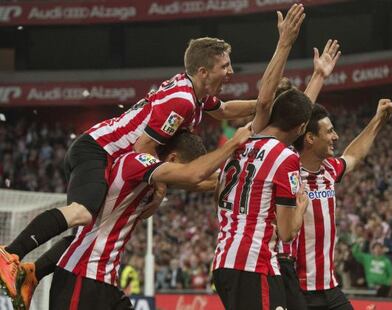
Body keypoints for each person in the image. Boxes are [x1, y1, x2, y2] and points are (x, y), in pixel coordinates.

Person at [0, 35, 258, 299]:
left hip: (104, 152)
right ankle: (10, 253)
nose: (230, 72)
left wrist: (262, 105)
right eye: (224, 66)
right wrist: (159, 189)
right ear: (203, 71)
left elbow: (224, 110)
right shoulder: (182, 101)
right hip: (98, 150)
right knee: (82, 213)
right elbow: (143, 147)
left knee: (87, 232)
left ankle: (32, 273)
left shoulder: (194, 93)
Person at [35, 128, 250, 310]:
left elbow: (205, 181)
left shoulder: (150, 179)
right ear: (173, 159)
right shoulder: (137, 162)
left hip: (103, 279)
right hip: (81, 275)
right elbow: (194, 176)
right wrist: (233, 143)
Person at [212, 4, 312, 309]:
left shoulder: (243, 139)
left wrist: (284, 43)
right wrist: (301, 204)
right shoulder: (285, 157)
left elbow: (265, 98)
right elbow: (286, 231)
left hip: (224, 261)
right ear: (301, 128)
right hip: (253, 264)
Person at [284, 99, 392, 310]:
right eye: (329, 131)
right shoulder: (289, 176)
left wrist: (378, 119)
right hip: (298, 291)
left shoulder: (330, 169)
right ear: (309, 138)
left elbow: (353, 155)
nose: (335, 137)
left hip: (330, 287)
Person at [276, 38, 341, 310]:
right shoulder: (277, 153)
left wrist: (318, 76)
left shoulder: (284, 154)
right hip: (282, 268)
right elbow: (287, 233)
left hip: (320, 282)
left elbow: (300, 119)